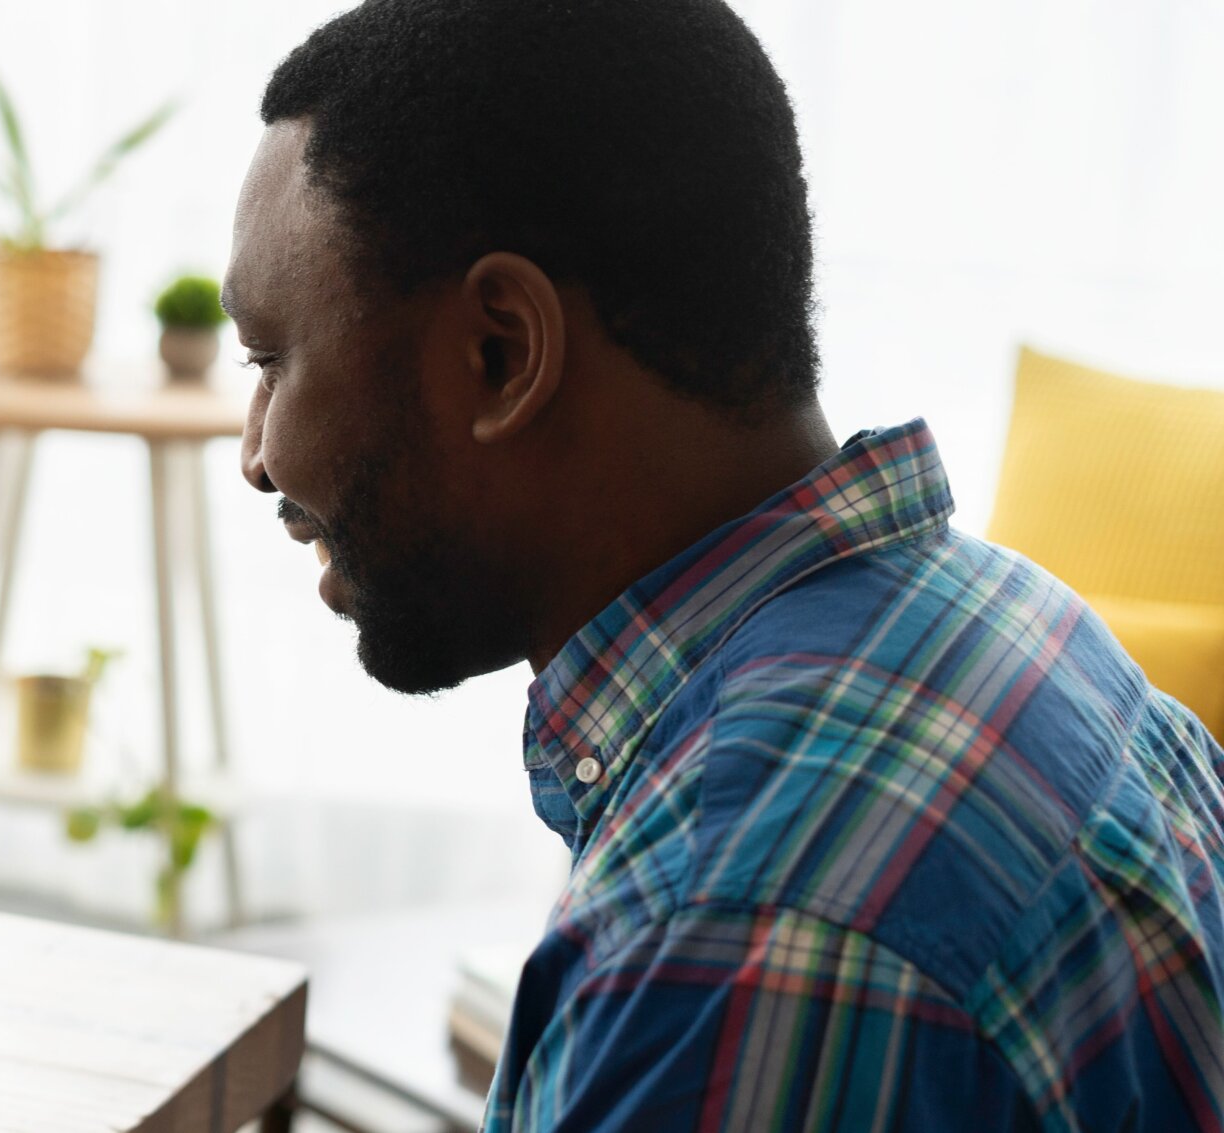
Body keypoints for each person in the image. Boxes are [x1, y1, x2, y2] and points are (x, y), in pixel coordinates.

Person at [228, 2, 1224, 1129]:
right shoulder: (1019, 624)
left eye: (271, 357)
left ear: (500, 352)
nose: (257, 454)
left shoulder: (737, 938)